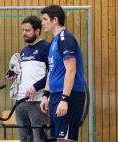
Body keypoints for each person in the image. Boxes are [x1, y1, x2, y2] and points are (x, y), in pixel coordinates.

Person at [39, 5, 85, 142]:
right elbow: (51, 71)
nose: (42, 23)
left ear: (55, 20)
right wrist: (45, 95)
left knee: (64, 140)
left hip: (69, 96)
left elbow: (71, 70)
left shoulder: (65, 38)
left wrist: (64, 99)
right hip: (55, 96)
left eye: (45, 19)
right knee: (56, 139)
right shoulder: (54, 41)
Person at [6, 16, 50, 142]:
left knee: (40, 139)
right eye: (22, 30)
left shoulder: (47, 48)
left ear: (37, 31)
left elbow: (52, 74)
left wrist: (35, 87)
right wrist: (15, 77)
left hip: (37, 102)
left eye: (27, 30)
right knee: (23, 139)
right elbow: (27, 74)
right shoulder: (24, 51)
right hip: (20, 102)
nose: (24, 33)